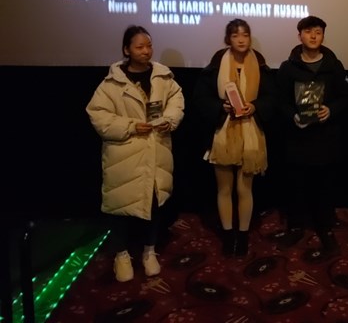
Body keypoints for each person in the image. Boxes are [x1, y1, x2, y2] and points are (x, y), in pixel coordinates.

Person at [86, 25, 185, 282]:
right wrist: (130, 126)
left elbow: (176, 101)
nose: (146, 51)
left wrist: (169, 120)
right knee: (120, 206)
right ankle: (121, 255)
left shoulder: (162, 77)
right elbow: (98, 115)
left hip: (156, 151)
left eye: (149, 46)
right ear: (126, 50)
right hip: (124, 155)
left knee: (154, 203)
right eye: (139, 46)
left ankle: (149, 251)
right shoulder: (112, 83)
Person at [193, 19, 274, 257]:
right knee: (224, 188)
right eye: (236, 35)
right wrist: (221, 107)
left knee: (244, 188)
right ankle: (228, 235)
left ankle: (243, 234)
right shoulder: (218, 63)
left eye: (245, 35)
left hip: (251, 132)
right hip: (223, 133)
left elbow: (272, 97)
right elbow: (201, 98)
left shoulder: (260, 63)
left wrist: (255, 107)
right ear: (228, 39)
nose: (241, 40)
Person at [275, 15, 348, 256]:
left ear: (323, 36)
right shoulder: (288, 67)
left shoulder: (334, 65)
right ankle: (295, 227)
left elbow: (345, 97)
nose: (313, 36)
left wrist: (332, 110)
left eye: (318, 32)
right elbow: (280, 101)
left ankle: (325, 228)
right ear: (300, 36)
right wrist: (292, 116)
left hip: (326, 137)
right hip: (298, 137)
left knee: (325, 186)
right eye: (308, 32)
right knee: (296, 185)